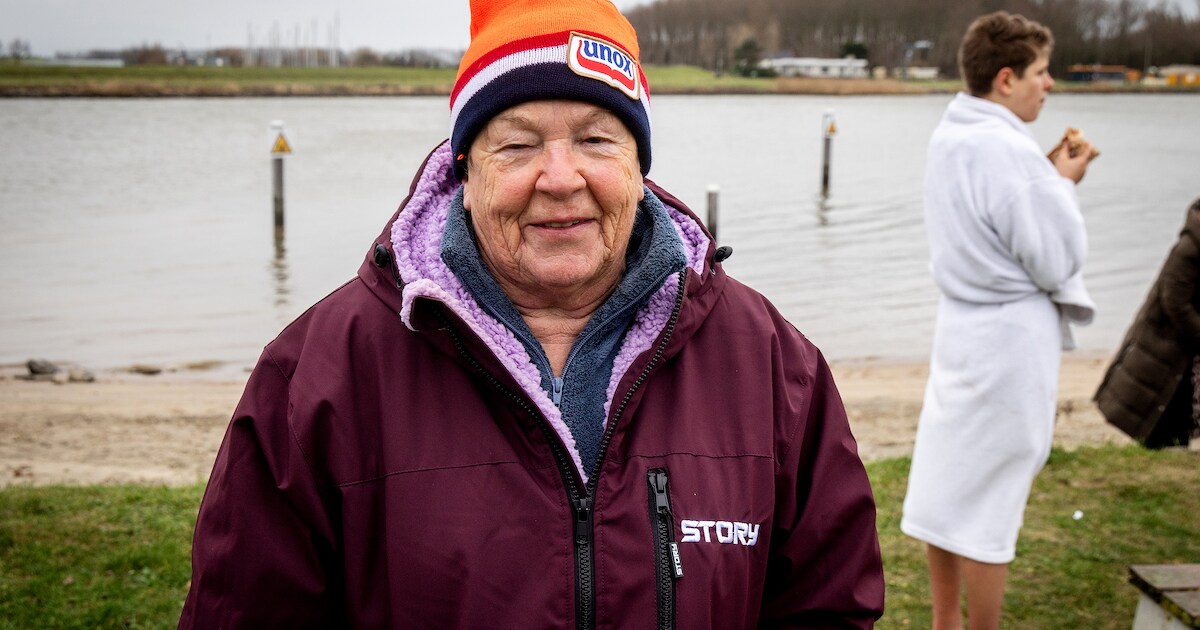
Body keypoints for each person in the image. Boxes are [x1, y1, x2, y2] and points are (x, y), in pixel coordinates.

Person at [178, 0, 885, 626]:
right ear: (463, 171)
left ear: (639, 164)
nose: (559, 177)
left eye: (596, 139)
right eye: (516, 145)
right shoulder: (319, 375)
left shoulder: (771, 364)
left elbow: (828, 603)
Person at [898, 11, 1098, 630]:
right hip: (1010, 340)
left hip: (962, 327)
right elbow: (1054, 258)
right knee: (992, 498)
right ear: (1006, 78)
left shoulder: (953, 134)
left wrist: (1041, 175)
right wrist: (1061, 184)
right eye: (1041, 72)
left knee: (949, 481)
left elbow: (994, 217)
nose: (1050, 84)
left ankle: (945, 622)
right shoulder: (1007, 149)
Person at [1095, 198, 1200, 449]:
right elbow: (1175, 303)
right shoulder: (1190, 248)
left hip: (1185, 346)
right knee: (1160, 414)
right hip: (1165, 343)